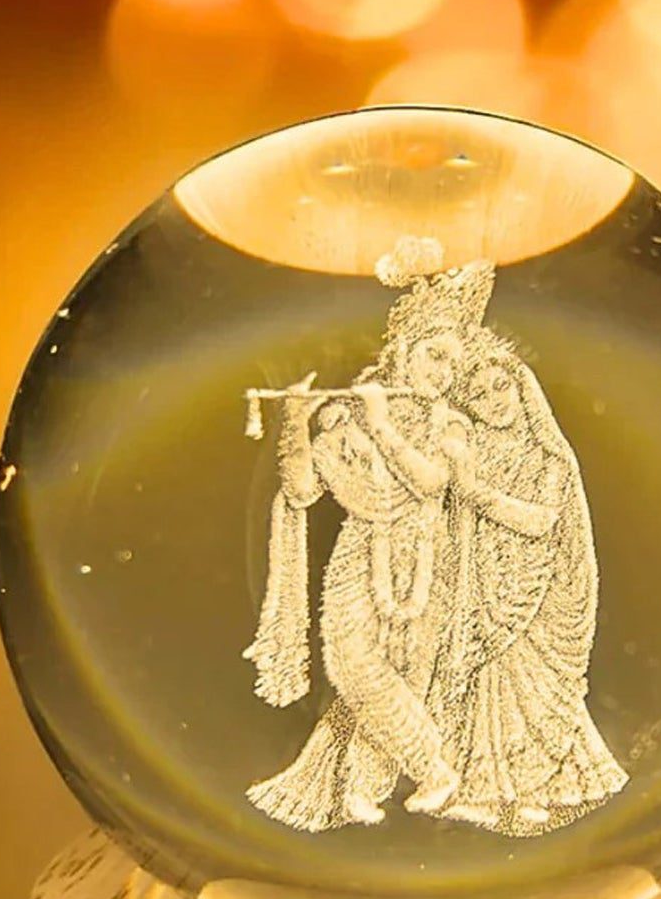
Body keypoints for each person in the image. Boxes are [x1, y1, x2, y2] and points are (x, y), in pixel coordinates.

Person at [243, 325, 469, 830]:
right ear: (404, 352)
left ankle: (367, 784)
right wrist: (296, 420)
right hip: (359, 553)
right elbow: (302, 490)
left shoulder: (449, 422)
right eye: (434, 355)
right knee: (352, 665)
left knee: (406, 673)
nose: (443, 372)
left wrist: (381, 423)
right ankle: (432, 768)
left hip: (426, 556)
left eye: (452, 364)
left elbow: (431, 482)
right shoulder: (347, 418)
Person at [431, 343, 628, 834]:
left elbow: (541, 521)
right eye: (479, 395)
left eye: (501, 387)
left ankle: (539, 790)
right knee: (490, 690)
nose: (494, 400)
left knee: (536, 691)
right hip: (486, 591)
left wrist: (479, 494)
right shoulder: (470, 453)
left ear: (522, 389)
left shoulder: (548, 458)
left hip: (537, 594)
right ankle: (486, 790)